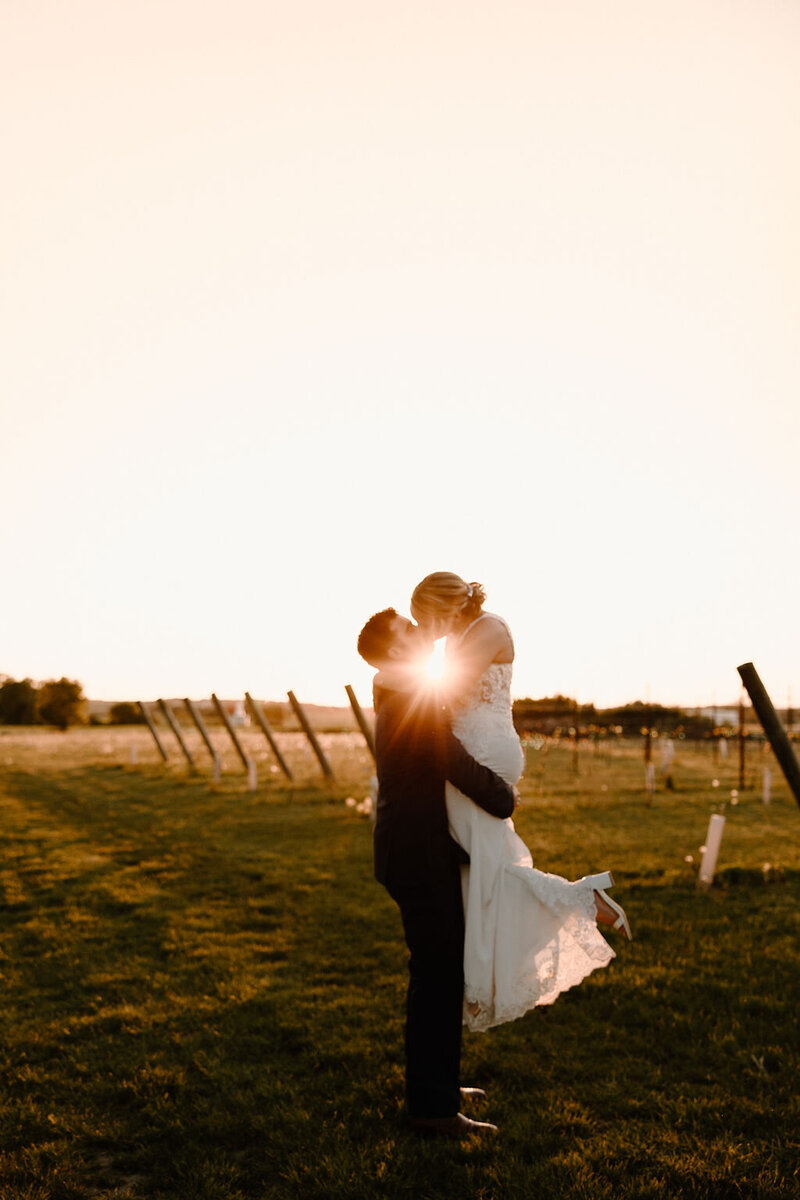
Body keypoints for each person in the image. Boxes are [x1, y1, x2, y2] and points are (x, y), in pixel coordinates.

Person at [410, 572, 631, 1032]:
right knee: (481, 869)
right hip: (474, 751)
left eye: (427, 620)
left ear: (444, 606)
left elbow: (445, 695)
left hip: (481, 754)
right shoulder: (461, 637)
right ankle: (482, 977)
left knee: (486, 872)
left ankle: (577, 902)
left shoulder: (488, 628)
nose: (429, 631)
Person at [357, 608, 516, 1138]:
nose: (422, 632)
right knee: (437, 976)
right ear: (399, 650)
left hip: (414, 848)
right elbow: (445, 754)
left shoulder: (397, 685)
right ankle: (432, 1110)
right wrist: (500, 796)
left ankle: (440, 1086)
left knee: (440, 975)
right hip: (415, 852)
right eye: (410, 629)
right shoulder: (407, 692)